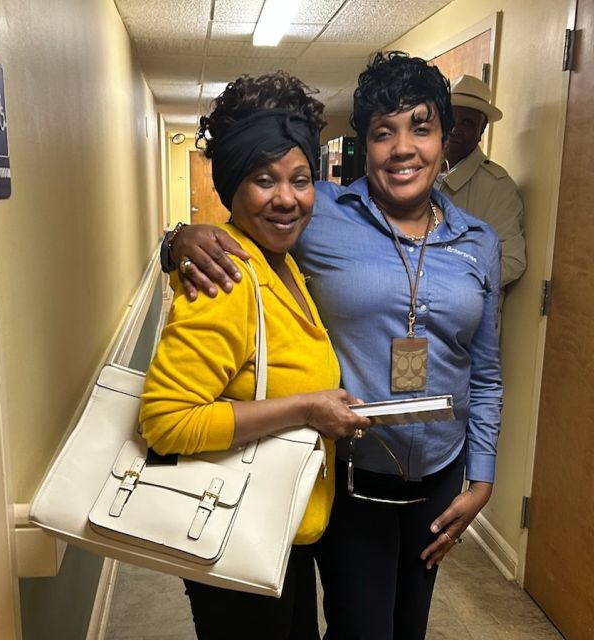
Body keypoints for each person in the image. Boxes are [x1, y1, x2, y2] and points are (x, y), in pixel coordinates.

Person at [166, 51, 503, 640]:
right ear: (363, 145)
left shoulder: (481, 243)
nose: (403, 148)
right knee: (359, 627)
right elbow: (250, 216)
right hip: (349, 476)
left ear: (446, 139)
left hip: (440, 478)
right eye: (383, 133)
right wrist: (179, 240)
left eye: (421, 128)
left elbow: (487, 371)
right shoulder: (321, 214)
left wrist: (482, 478)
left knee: (410, 627)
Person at [140, 71, 370, 640]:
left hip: (279, 532)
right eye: (265, 180)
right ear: (231, 186)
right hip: (234, 535)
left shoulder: (279, 263)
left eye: (300, 178)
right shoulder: (226, 279)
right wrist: (309, 411)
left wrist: (176, 239)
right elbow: (167, 422)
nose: (287, 198)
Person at [438, 74, 526, 290]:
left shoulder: (497, 186)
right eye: (451, 120)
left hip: (467, 312)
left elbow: (512, 261)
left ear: (481, 131)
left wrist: (455, 277)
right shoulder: (421, 172)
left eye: (467, 123)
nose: (455, 129)